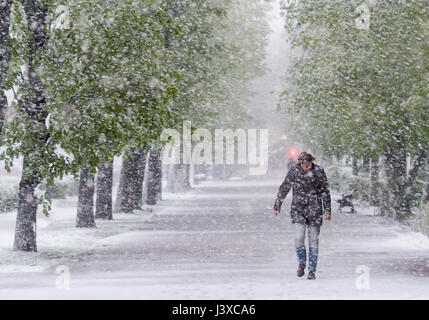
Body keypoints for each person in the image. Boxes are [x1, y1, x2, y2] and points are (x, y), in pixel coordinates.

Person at [273, 152, 331, 280]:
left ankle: (312, 269)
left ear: (312, 162)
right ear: (300, 163)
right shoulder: (294, 171)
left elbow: (325, 192)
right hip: (298, 209)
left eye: (309, 165)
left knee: (313, 241)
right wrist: (277, 205)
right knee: (298, 238)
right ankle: (302, 262)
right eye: (304, 165)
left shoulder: (318, 171)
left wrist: (327, 210)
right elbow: (285, 188)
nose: (307, 167)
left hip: (315, 211)